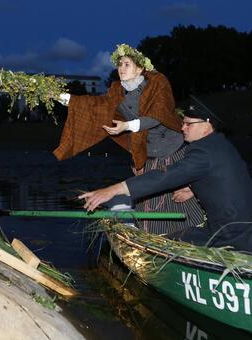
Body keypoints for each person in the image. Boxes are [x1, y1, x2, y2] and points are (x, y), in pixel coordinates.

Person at [79, 103, 252, 254]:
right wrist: (193, 188)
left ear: (207, 126)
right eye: (183, 122)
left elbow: (163, 177)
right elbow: (218, 177)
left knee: (167, 242)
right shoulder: (219, 144)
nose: (182, 127)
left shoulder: (202, 152)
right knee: (188, 232)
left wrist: (111, 190)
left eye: (188, 124)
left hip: (234, 234)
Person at [54, 44, 205, 234]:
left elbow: (159, 114)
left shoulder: (158, 82)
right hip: (147, 153)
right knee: (149, 197)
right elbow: (95, 105)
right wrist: (63, 97)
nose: (121, 69)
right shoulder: (117, 90)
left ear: (140, 68)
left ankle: (194, 232)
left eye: (127, 64)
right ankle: (153, 238)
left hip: (172, 150)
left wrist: (127, 126)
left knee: (178, 195)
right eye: (119, 65)